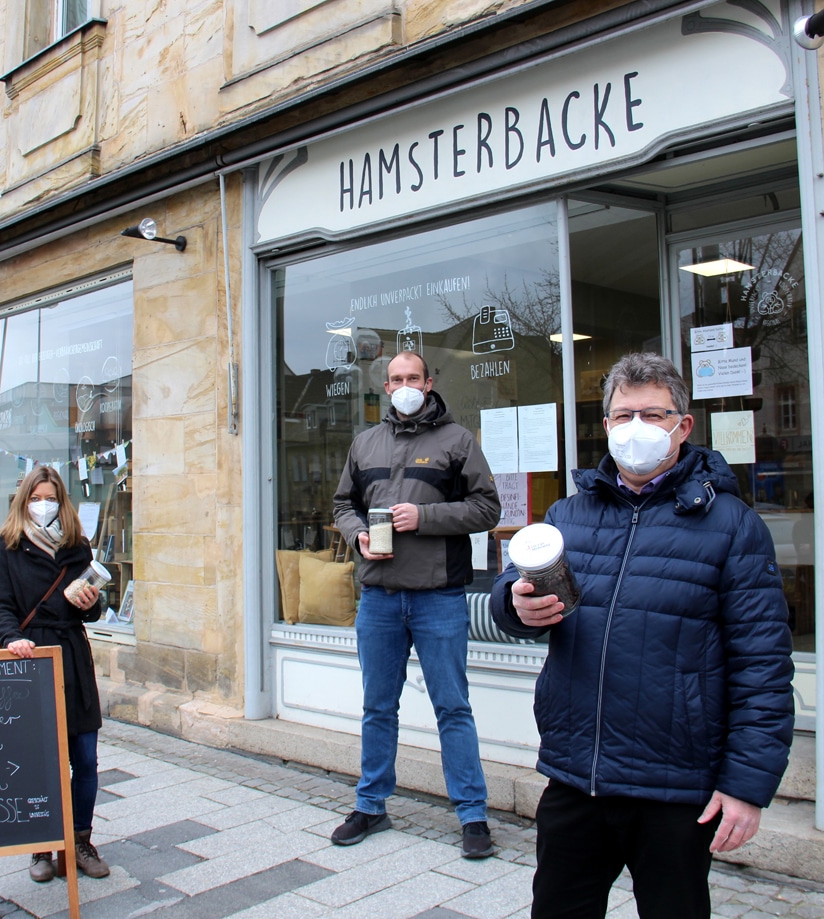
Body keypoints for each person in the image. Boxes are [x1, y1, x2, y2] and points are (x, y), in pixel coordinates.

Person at [491, 352, 794, 918]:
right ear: (604, 426)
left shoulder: (731, 526)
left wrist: (747, 785)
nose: (636, 429)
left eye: (652, 415)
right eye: (623, 414)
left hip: (675, 789)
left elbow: (764, 666)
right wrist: (513, 604)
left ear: (683, 426)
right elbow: (516, 585)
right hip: (578, 775)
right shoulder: (569, 514)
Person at [332, 351, 503, 858]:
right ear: (386, 388)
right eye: (396, 379)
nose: (406, 385)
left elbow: (487, 508)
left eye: (414, 378)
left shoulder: (457, 441)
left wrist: (423, 516)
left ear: (429, 383)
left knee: (453, 707)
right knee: (377, 707)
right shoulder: (365, 443)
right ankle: (371, 804)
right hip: (380, 597)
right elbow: (343, 504)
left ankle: (472, 815)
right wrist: (357, 532)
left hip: (439, 598)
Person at [0, 465, 110, 883]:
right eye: (36, 498)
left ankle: (79, 839)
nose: (44, 505)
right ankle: (41, 844)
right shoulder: (7, 546)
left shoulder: (77, 546)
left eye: (50, 498)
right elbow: (0, 604)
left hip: (73, 656)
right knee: (40, 760)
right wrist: (10, 639)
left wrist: (91, 603)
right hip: (31, 660)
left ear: (62, 501)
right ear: (25, 501)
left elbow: (93, 610)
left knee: (86, 760)